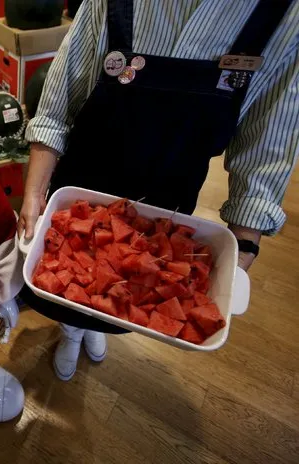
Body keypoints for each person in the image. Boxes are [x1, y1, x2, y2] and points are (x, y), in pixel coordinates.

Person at [18, 0, 299, 381]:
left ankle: (93, 324)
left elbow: (268, 135)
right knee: (70, 292)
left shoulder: (285, 11)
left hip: (166, 200)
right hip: (84, 182)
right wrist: (34, 194)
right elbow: (58, 100)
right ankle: (71, 330)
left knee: (127, 290)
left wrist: (244, 244)